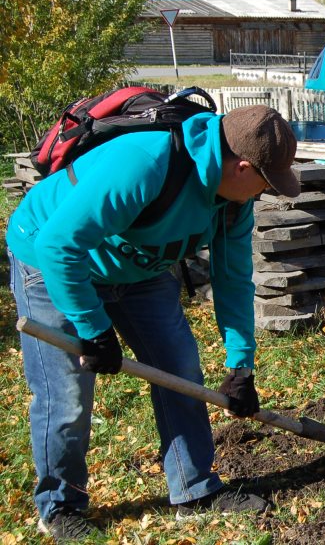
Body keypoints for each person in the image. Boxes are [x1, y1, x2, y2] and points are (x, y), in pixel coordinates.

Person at [7, 104, 301, 541]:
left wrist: (241, 366)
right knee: (66, 396)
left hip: (139, 273)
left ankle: (195, 489)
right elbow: (58, 245)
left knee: (179, 371)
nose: (266, 194)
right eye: (266, 182)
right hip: (52, 264)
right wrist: (93, 328)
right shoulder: (146, 164)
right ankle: (59, 505)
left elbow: (234, 280)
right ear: (241, 166)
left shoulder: (233, 205)